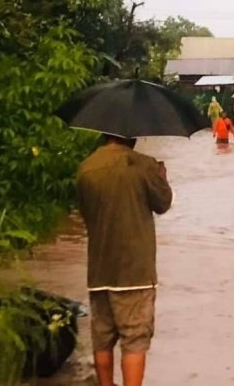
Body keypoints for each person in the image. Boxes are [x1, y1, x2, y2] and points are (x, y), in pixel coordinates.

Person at [76, 135, 173, 386]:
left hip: (99, 270)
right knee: (134, 340)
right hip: (135, 272)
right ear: (131, 136)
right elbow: (163, 204)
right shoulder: (143, 165)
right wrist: (161, 177)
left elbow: (86, 213)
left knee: (102, 338)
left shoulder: (86, 167)